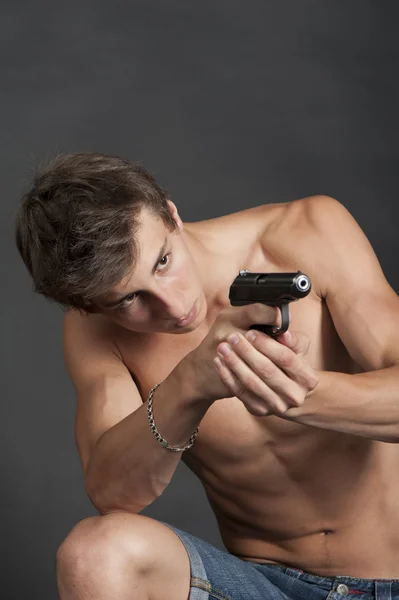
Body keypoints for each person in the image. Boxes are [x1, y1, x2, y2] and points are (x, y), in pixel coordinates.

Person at [15, 152, 399, 600]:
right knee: (94, 554)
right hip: (264, 585)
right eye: (129, 300)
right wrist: (191, 382)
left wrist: (294, 392)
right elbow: (113, 493)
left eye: (163, 261)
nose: (176, 308)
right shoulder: (96, 333)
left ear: (171, 213)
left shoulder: (305, 232)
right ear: (88, 307)